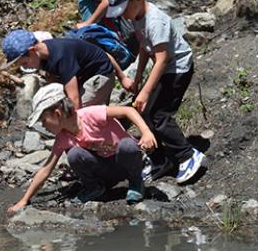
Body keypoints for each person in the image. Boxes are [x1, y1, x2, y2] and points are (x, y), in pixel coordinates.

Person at [105, 0, 207, 183]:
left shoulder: (155, 21)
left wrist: (145, 91)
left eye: (124, 10)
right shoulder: (136, 17)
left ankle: (187, 155)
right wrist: (139, 76)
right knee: (146, 113)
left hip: (177, 68)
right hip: (164, 67)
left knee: (160, 115)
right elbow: (144, 46)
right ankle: (160, 159)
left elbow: (162, 59)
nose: (123, 16)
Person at [9, 84, 156, 209]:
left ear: (57, 113)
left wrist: (146, 132)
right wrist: (24, 200)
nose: (43, 125)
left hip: (124, 163)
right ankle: (95, 187)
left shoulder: (90, 115)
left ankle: (136, 182)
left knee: (127, 145)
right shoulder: (63, 138)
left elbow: (127, 110)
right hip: (105, 171)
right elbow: (46, 169)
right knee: (74, 154)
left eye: (43, 120)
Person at [2, 28, 121, 109]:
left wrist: (122, 77)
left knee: (81, 112)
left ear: (32, 51)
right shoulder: (43, 56)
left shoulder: (60, 56)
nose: (25, 68)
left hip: (100, 76)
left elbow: (74, 98)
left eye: (24, 63)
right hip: (84, 77)